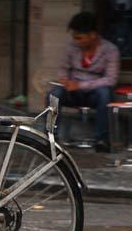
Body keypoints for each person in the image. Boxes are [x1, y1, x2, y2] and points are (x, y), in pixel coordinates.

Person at [49, 11, 121, 152]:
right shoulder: (71, 48)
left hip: (94, 93)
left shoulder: (110, 50)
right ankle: (50, 137)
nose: (76, 41)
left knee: (104, 93)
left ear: (92, 35)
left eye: (79, 38)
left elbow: (111, 79)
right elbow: (63, 70)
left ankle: (101, 139)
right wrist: (64, 81)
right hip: (73, 93)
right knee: (54, 94)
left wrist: (81, 85)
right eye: (74, 37)